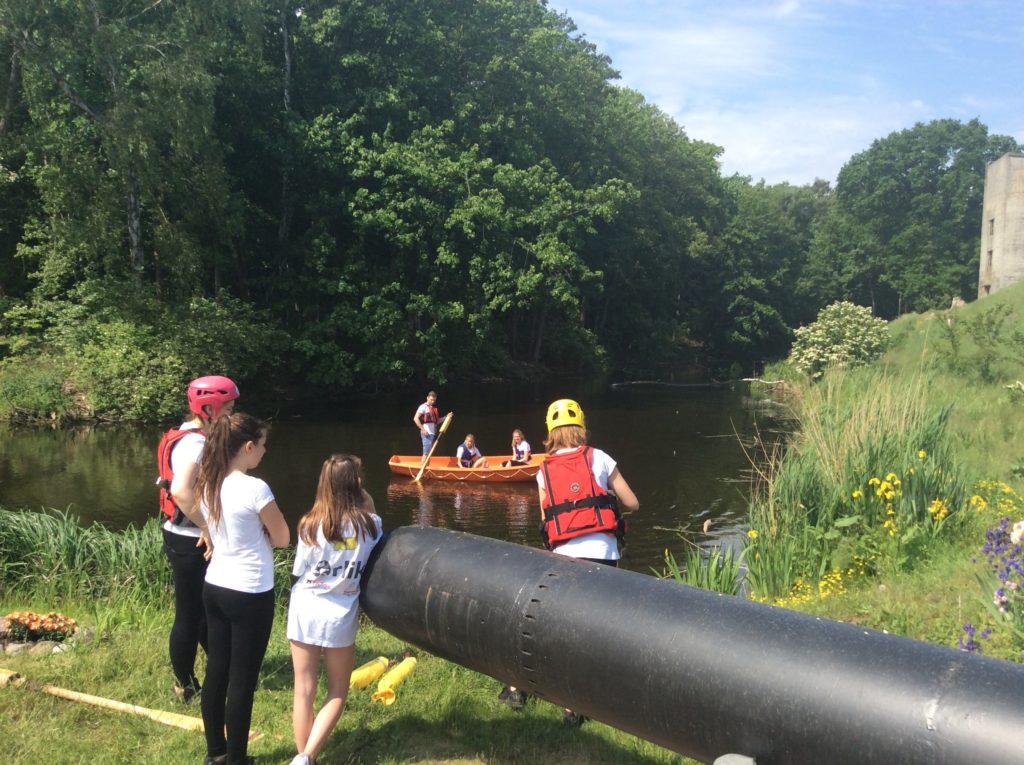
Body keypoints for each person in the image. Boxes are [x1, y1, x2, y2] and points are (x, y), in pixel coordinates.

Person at [517, 397, 639, 726]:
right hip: (604, 554)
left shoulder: (543, 471)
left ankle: (570, 703)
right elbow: (632, 503)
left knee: (569, 628)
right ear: (581, 426)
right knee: (598, 626)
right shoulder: (599, 457)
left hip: (564, 559)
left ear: (550, 432)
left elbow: (546, 520)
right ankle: (592, 697)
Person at [194, 412, 290, 765]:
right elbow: (283, 538)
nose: (264, 451)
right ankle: (236, 759)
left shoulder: (208, 482)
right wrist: (263, 530)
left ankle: (215, 753)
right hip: (249, 592)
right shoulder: (255, 488)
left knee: (216, 671)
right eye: (262, 445)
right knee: (242, 680)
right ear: (248, 447)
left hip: (215, 585)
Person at [286, 455, 383, 765]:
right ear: (357, 485)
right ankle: (307, 757)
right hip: (339, 615)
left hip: (305, 607)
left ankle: (303, 757)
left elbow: (299, 570)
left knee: (303, 689)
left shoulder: (308, 525)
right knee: (338, 690)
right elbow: (374, 532)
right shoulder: (370, 525)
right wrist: (365, 499)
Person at [157, 374, 239, 703]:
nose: (232, 414)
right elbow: (180, 491)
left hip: (185, 535)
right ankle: (185, 685)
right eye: (228, 408)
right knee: (190, 614)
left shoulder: (189, 434)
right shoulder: (195, 444)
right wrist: (207, 527)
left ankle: (223, 666)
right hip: (190, 540)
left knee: (205, 609)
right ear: (208, 409)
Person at [413, 391, 440, 455]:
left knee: (429, 454)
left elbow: (437, 421)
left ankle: (427, 462)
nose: (433, 401)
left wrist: (446, 417)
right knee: (426, 454)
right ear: (427, 398)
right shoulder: (423, 406)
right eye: (431, 399)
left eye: (434, 400)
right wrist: (423, 429)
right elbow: (415, 418)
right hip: (427, 433)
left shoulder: (432, 408)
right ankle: (424, 462)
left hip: (432, 433)